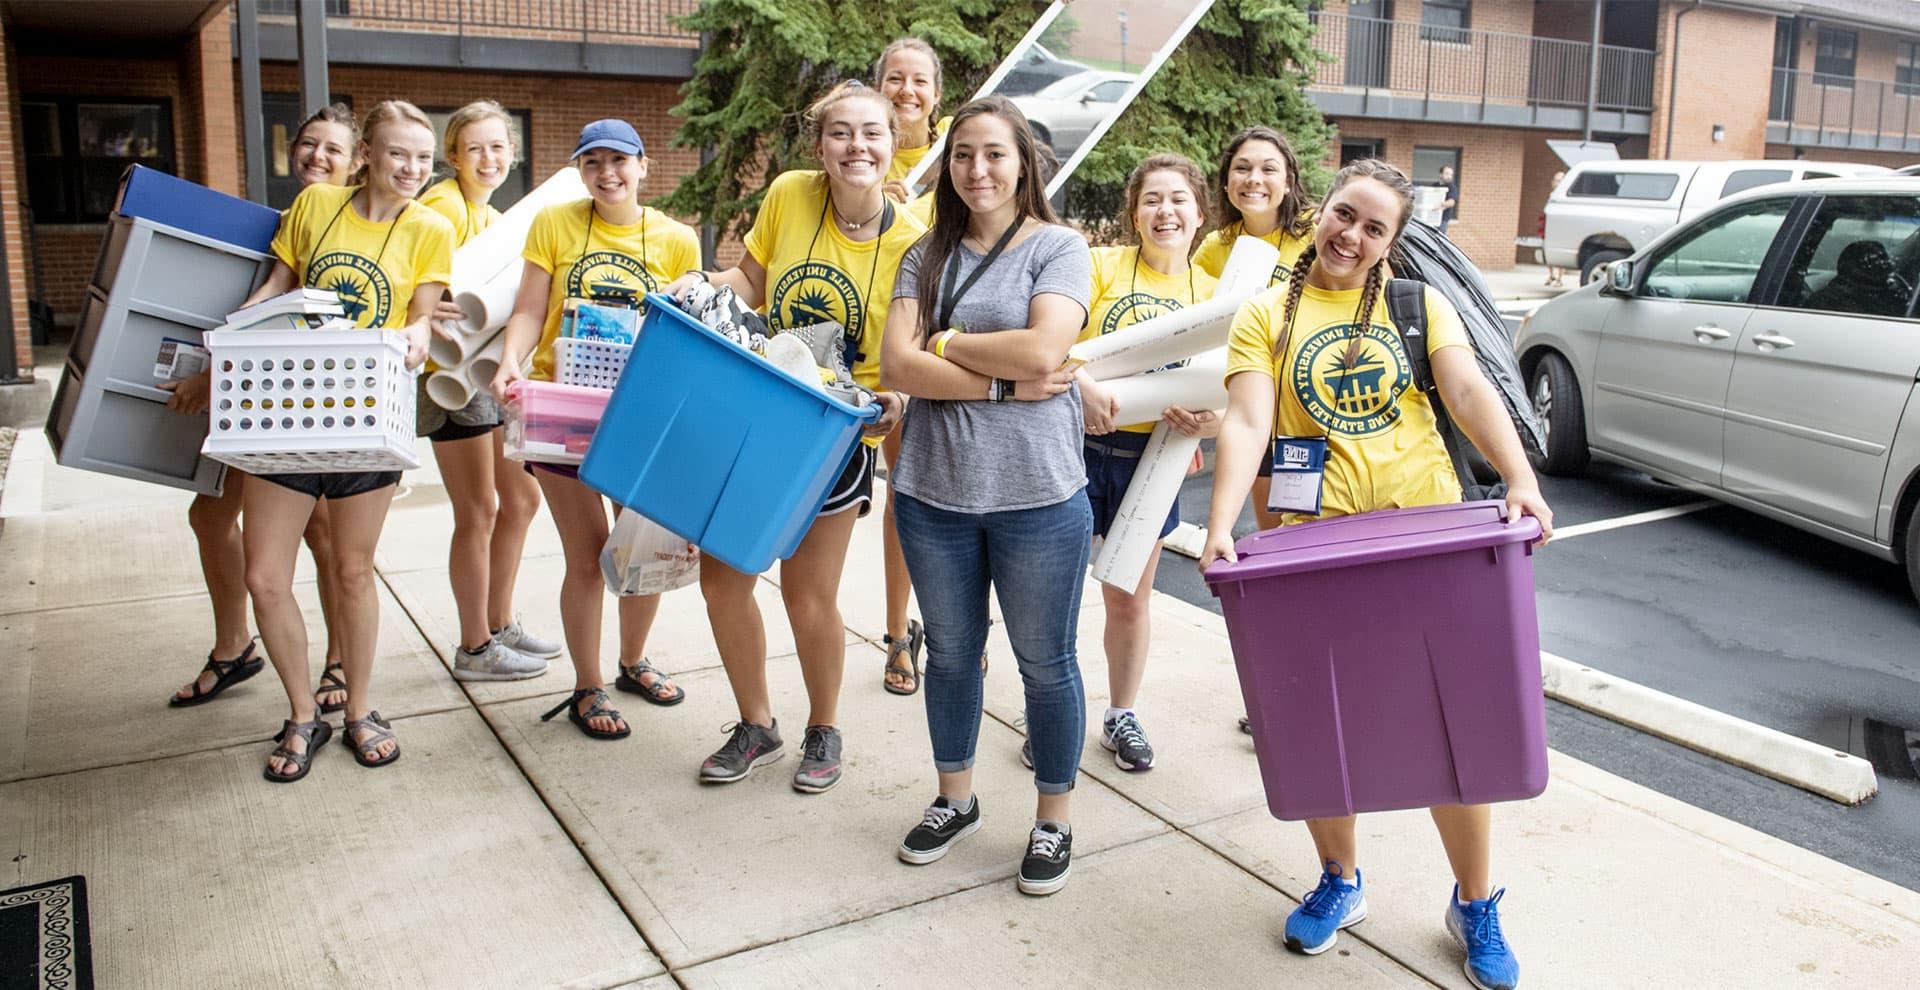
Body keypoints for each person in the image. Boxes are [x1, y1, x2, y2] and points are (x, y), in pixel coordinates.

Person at [1197, 159, 1552, 988]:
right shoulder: (1264, 316)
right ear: (1320, 210)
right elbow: (1249, 419)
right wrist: (1219, 524)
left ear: (1391, 242)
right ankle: (1340, 880)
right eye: (1344, 215)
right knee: (1319, 729)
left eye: (1373, 228)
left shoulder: (1416, 305)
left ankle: (1474, 901)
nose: (1350, 237)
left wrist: (1521, 478)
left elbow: (1465, 390)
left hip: (1426, 541)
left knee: (1454, 731)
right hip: (1313, 551)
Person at [662, 81, 918, 793]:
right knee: (723, 582)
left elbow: (912, 351)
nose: (856, 147)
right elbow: (750, 280)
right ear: (819, 145)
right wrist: (701, 288)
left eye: (871, 133)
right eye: (840, 133)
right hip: (758, 415)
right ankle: (756, 725)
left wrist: (896, 399)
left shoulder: (914, 241)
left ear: (893, 144)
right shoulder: (788, 195)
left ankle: (823, 727)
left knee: (808, 596)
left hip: (833, 437)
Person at [881, 96, 1093, 897]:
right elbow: (897, 367)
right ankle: (954, 799)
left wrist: (942, 344)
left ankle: (1053, 818)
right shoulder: (922, 254)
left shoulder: (1059, 246)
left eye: (994, 153)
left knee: (1046, 663)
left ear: (1023, 162)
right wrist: (1004, 386)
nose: (977, 169)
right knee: (952, 657)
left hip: (1037, 497)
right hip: (933, 494)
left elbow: (1047, 346)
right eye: (963, 154)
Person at [236, 100, 453, 781]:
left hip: (368, 415)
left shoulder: (430, 228)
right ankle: (303, 713)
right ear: (367, 155)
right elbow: (277, 285)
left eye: (422, 157)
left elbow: (422, 313)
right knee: (265, 576)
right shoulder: (316, 208)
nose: (411, 168)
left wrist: (419, 337)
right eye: (397, 154)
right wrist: (235, 330)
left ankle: (359, 708)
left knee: (353, 571)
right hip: (287, 409)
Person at [491, 119, 698, 739]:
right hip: (565, 414)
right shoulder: (554, 223)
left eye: (618, 161)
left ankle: (632, 662)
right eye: (592, 163)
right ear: (580, 171)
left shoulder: (676, 238)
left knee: (639, 551)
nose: (606, 174)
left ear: (643, 166)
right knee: (586, 557)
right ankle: (588, 685)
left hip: (642, 415)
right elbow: (530, 309)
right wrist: (509, 362)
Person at [164, 103, 359, 711]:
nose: (318, 156)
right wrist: (218, 366)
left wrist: (215, 372)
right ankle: (234, 646)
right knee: (211, 517)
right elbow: (268, 299)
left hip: (315, 401)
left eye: (333, 149)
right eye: (309, 143)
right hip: (260, 395)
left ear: (357, 164)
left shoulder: (354, 226)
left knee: (322, 535)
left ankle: (339, 661)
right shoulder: (289, 219)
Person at [1068, 153, 1219, 772]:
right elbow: (1057, 348)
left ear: (1200, 214)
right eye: (1152, 199)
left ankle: (1120, 714)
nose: (1166, 211)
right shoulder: (1100, 267)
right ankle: (1050, 708)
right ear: (1134, 213)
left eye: (1179, 199)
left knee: (1127, 596)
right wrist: (1080, 386)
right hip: (1072, 451)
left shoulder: (1216, 298)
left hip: (1149, 460)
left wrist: (1208, 424)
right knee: (1049, 596)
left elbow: (1236, 391)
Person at [415, 100, 559, 681]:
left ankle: (497, 622)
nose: (488, 158)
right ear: (453, 155)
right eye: (474, 147)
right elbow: (413, 268)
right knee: (478, 509)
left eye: (498, 147)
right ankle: (475, 646)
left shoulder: (492, 215)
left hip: (485, 375)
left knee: (520, 500)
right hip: (447, 378)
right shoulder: (441, 207)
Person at [1192, 126, 1316, 542]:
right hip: (1256, 416)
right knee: (1279, 538)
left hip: (1312, 411)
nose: (1254, 179)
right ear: (1227, 183)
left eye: (1268, 169)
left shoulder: (1316, 234)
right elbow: (1200, 338)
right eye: (1242, 168)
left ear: (1288, 181)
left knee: (1321, 539)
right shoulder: (1214, 248)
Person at [874, 37, 945, 694]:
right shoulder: (861, 148)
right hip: (885, 349)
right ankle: (898, 636)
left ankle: (957, 630)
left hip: (949, 346)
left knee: (965, 496)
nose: (906, 91)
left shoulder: (957, 153)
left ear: (936, 93)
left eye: (918, 80)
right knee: (905, 495)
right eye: (894, 78)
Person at [1543, 170, 1566, 288]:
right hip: (1551, 228)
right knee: (1549, 252)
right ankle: (1551, 275)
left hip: (1562, 228)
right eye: (1556, 180)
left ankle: (1559, 278)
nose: (1557, 183)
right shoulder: (1551, 195)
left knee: (1560, 254)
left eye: (1560, 180)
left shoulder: (1566, 195)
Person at [1438, 164, 1460, 237]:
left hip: (1443, 220)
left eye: (1451, 174)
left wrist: (1440, 205)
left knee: (1439, 239)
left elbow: (1451, 202)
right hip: (1431, 218)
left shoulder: (1451, 187)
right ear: (1441, 174)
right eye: (1447, 174)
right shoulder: (1435, 185)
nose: (1449, 176)